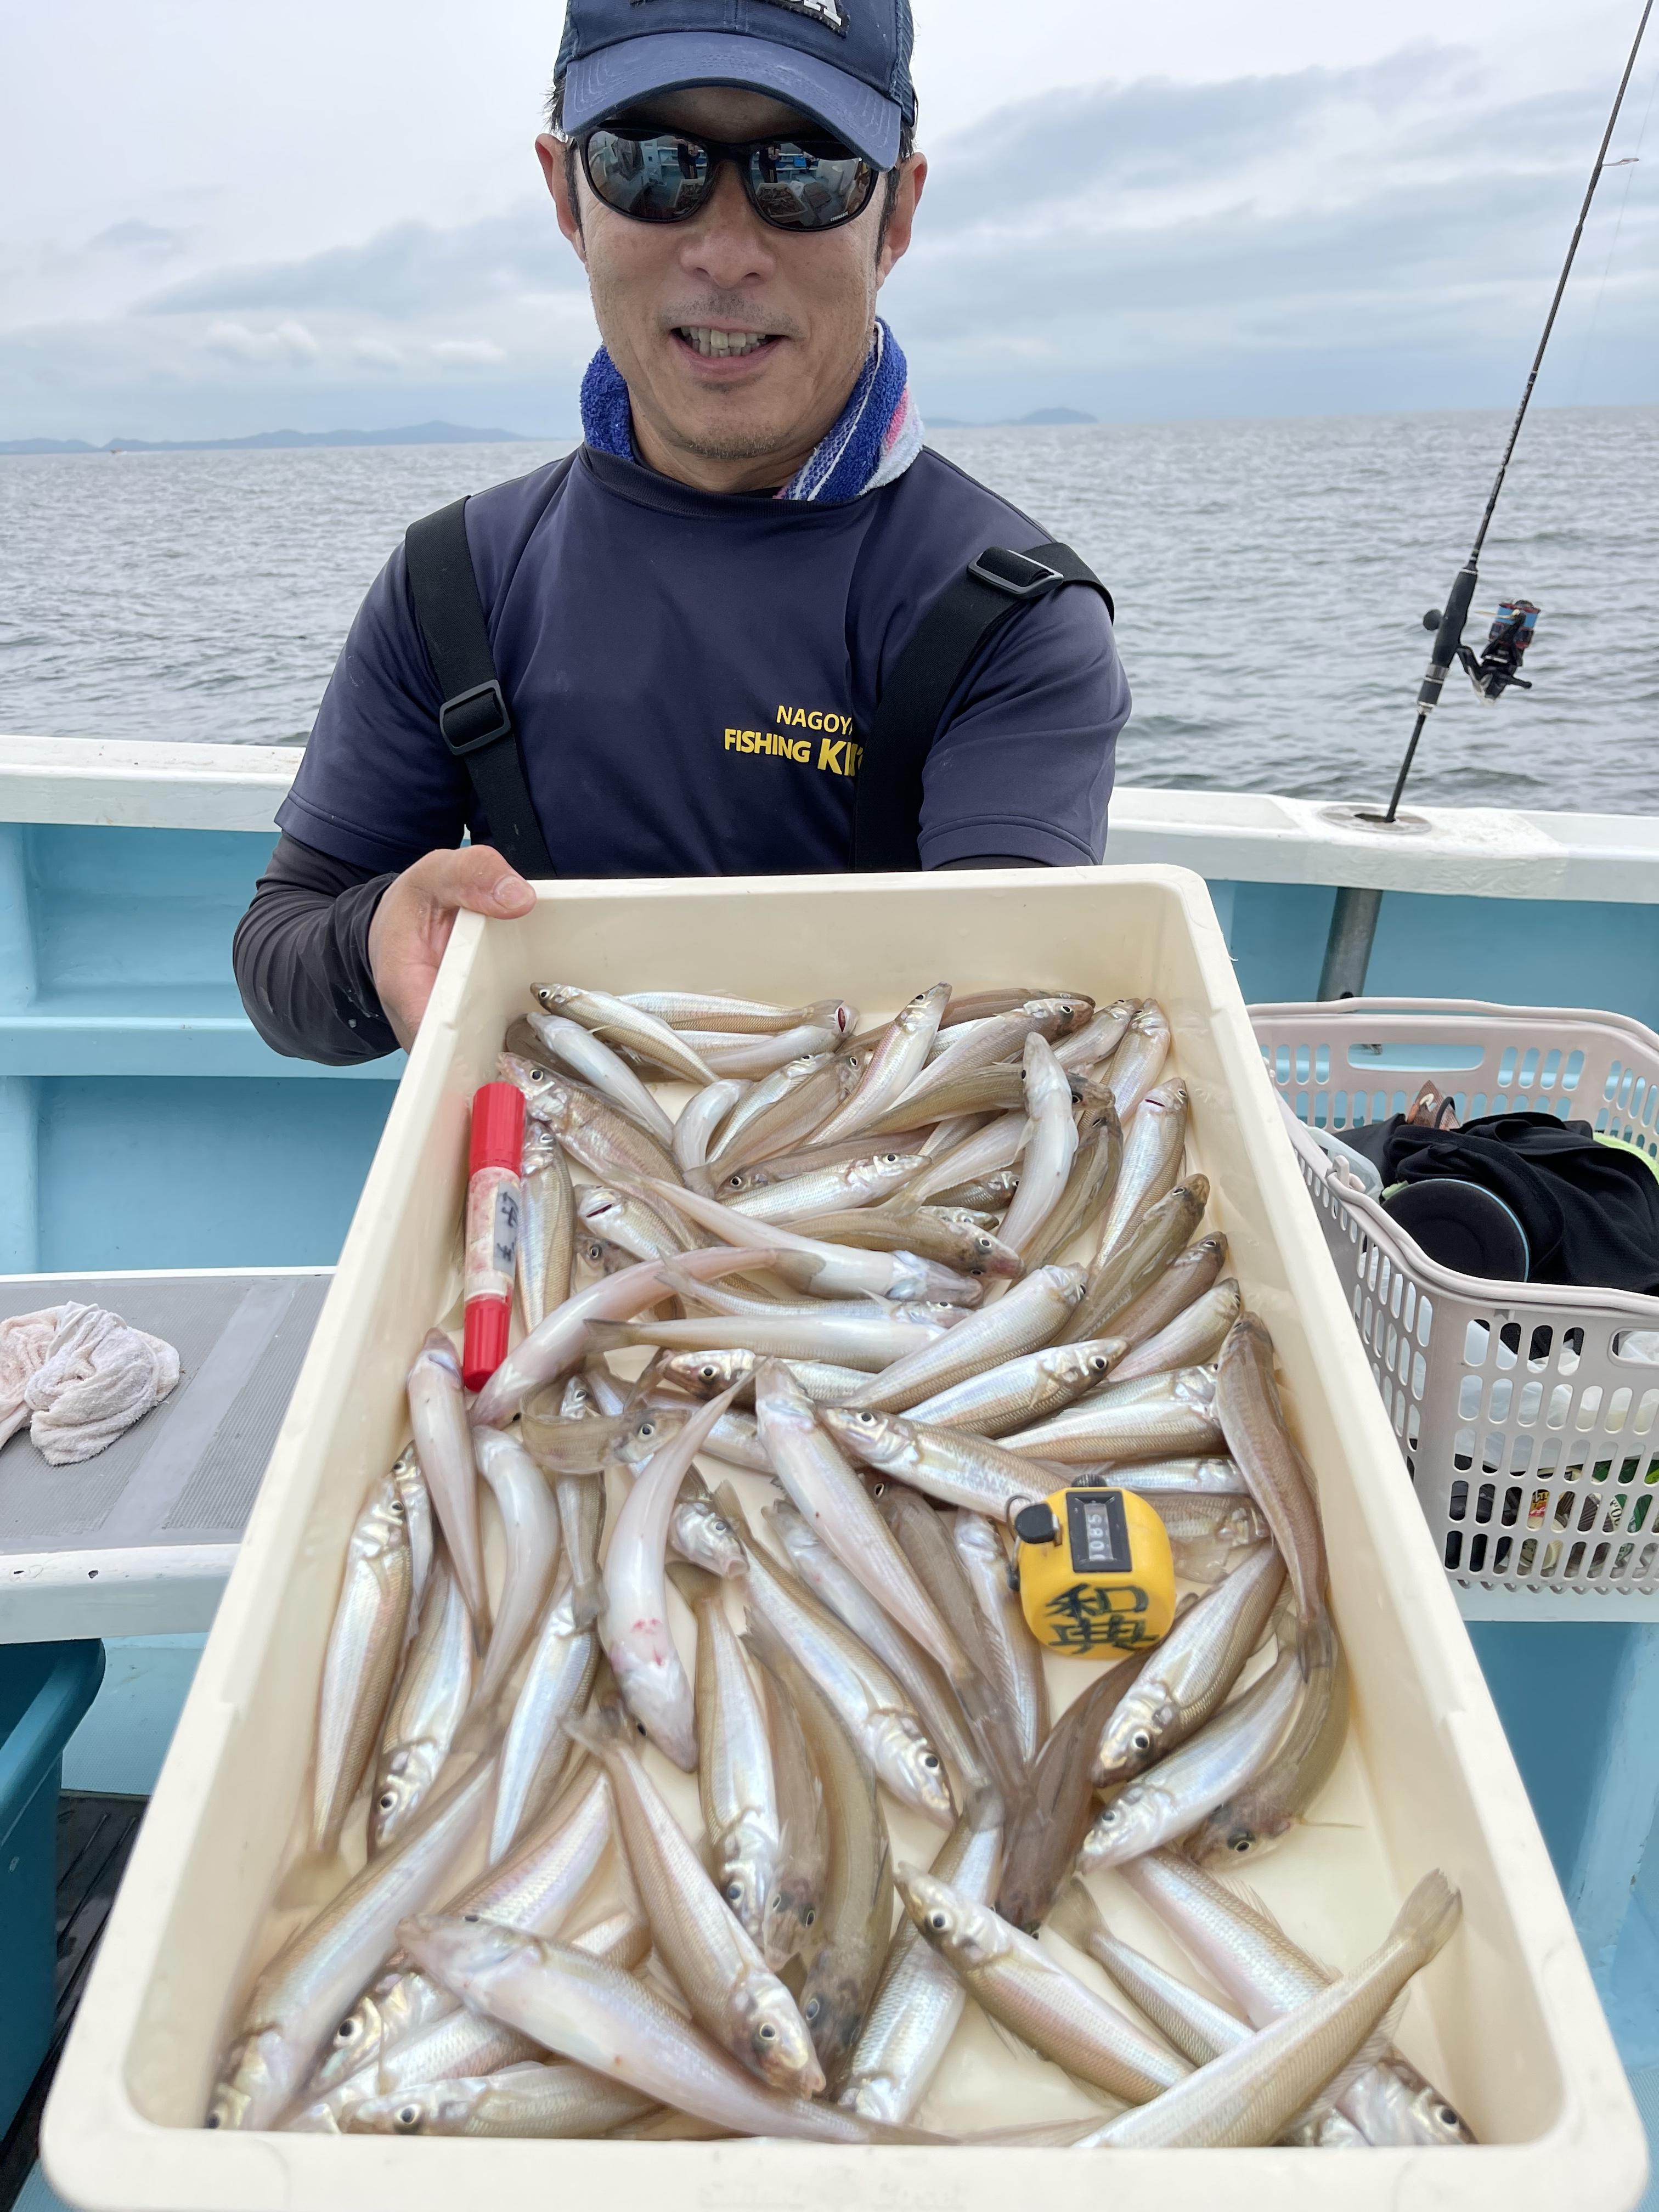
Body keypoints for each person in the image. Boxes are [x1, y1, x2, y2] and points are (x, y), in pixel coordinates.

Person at [233, 0, 1131, 1065]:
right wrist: (376, 934)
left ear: (896, 216)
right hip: (548, 1202)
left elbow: (1002, 1029)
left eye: (804, 171)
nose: (724, 251)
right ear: (566, 194)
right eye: (653, 165)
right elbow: (282, 944)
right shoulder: (453, 582)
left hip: (879, 1212)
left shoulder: (1006, 619)